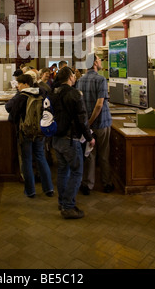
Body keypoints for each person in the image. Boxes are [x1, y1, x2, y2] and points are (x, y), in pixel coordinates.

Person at [52, 66, 95, 219]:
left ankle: (62, 202)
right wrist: (89, 137)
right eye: (73, 76)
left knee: (63, 171)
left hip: (56, 138)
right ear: (70, 77)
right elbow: (82, 119)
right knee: (77, 172)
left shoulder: (54, 93)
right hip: (71, 140)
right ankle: (68, 206)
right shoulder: (75, 94)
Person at [5, 74, 54, 198]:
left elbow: (11, 114)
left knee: (26, 160)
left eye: (19, 84)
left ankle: (30, 191)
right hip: (40, 131)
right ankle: (48, 189)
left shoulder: (22, 97)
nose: (18, 86)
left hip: (25, 132)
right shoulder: (42, 93)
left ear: (26, 84)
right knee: (41, 157)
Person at [77, 53, 114, 194]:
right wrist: (91, 121)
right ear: (94, 63)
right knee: (104, 155)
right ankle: (106, 184)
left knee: (90, 155)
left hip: (88, 126)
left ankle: (87, 185)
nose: (100, 62)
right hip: (101, 123)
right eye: (99, 60)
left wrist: (87, 124)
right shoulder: (101, 80)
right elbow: (99, 105)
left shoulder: (80, 81)